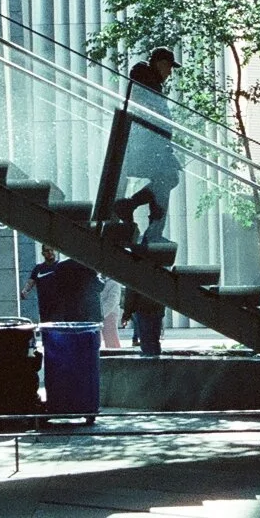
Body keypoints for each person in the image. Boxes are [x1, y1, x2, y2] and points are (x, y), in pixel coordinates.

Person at [113, 48, 182, 246]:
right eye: (169, 67)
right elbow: (152, 116)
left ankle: (135, 211)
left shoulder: (149, 82)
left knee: (167, 177)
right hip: (139, 148)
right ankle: (148, 227)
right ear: (160, 63)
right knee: (168, 177)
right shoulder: (145, 79)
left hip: (146, 146)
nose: (170, 73)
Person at [20, 246, 65, 322]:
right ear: (43, 253)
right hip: (44, 306)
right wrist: (25, 291)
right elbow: (31, 281)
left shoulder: (61, 266)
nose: (50, 253)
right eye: (47, 251)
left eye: (52, 250)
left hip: (59, 305)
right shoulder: (38, 268)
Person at [120, 288, 165, 358]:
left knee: (146, 340)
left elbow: (130, 295)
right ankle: (157, 362)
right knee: (155, 340)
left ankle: (149, 364)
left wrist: (126, 314)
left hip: (142, 309)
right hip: (157, 308)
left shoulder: (134, 277)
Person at [98, 276, 123, 349]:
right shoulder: (100, 279)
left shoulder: (114, 282)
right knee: (99, 338)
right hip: (101, 313)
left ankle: (115, 355)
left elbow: (112, 301)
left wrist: (101, 315)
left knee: (111, 338)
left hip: (110, 314)